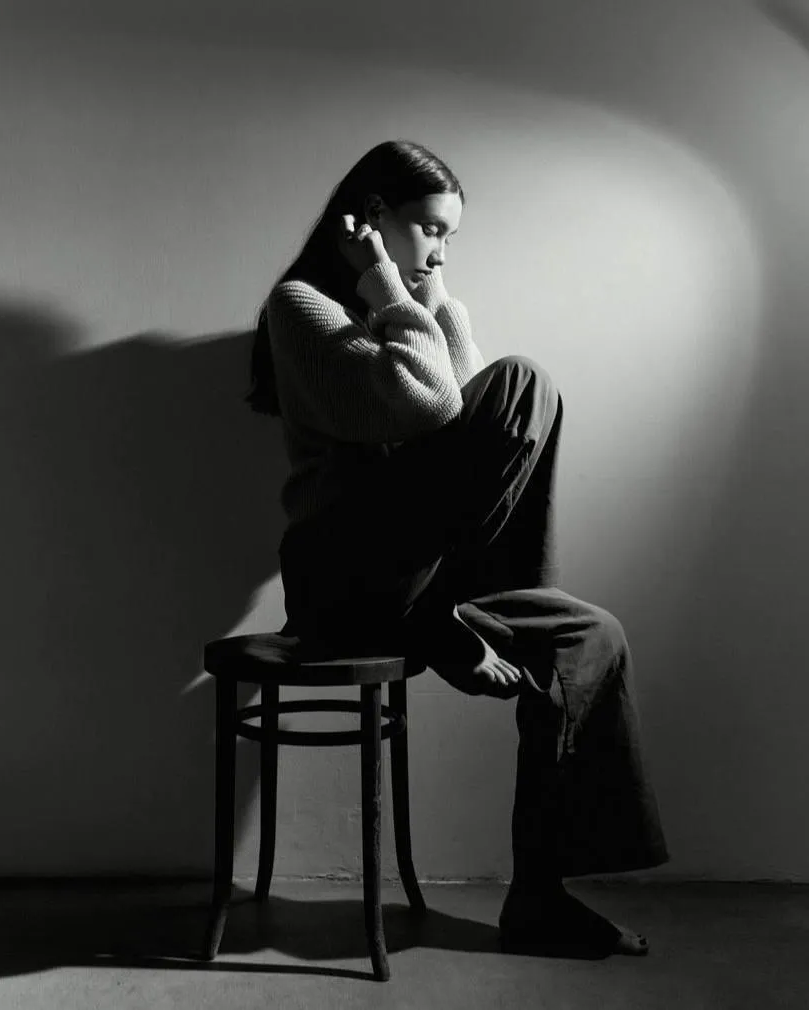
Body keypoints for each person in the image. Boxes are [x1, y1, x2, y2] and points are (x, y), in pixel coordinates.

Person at [246, 139, 669, 958]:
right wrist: (388, 289)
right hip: (345, 583)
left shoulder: (406, 298)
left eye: (449, 239)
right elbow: (433, 407)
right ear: (371, 218)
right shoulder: (303, 306)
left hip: (425, 581)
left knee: (592, 637)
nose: (441, 250)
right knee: (524, 384)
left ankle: (540, 896)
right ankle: (441, 621)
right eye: (432, 230)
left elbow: (467, 411)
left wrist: (437, 302)